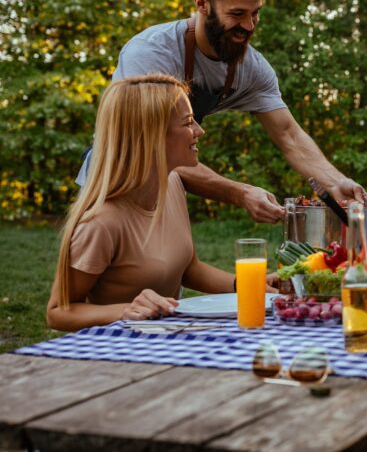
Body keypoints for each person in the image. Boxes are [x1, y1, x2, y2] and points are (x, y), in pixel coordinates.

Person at [77, 0, 367, 223]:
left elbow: (289, 135)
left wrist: (335, 183)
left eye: (255, 13)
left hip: (163, 190)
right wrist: (240, 193)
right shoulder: (151, 54)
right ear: (201, 3)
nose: (250, 26)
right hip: (111, 187)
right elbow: (153, 150)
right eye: (237, 14)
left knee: (172, 270)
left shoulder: (252, 69)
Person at [48, 74, 275, 331]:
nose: (200, 131)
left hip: (170, 341)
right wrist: (125, 310)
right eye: (188, 123)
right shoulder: (101, 222)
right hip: (117, 356)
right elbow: (58, 312)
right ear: (152, 135)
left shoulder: (172, 185)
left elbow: (188, 269)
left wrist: (249, 286)